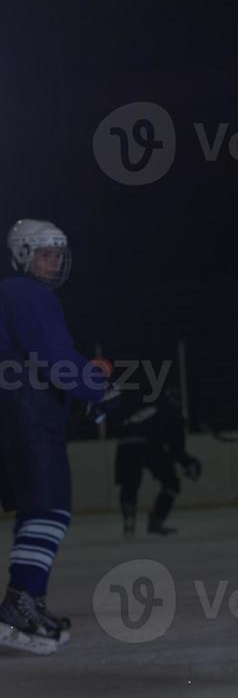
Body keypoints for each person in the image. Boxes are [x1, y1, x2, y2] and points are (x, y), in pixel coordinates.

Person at [0, 219, 115, 654]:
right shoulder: (26, 292)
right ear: (23, 254)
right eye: (44, 253)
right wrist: (95, 387)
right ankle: (20, 601)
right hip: (25, 411)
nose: (53, 262)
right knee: (50, 507)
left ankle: (27, 599)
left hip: (17, 408)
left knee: (36, 508)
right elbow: (54, 357)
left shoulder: (13, 295)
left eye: (56, 255)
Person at [113, 387, 201, 536]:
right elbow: (176, 450)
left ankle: (129, 521)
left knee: (129, 484)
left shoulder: (148, 410)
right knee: (171, 482)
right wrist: (190, 464)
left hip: (124, 446)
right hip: (148, 445)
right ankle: (156, 521)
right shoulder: (174, 414)